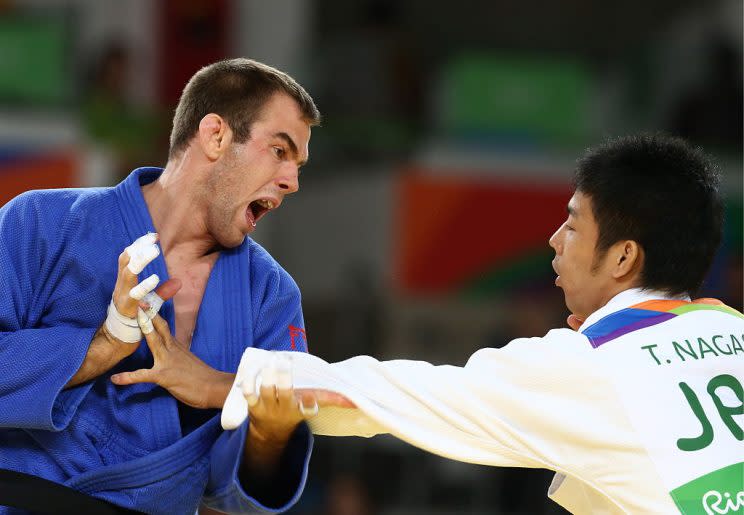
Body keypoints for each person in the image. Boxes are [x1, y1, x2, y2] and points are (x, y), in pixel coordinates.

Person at [221, 134, 743, 514]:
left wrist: (234, 380)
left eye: (574, 224)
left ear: (623, 257)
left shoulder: (592, 364)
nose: (555, 240)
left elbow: (406, 396)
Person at [0, 58, 321, 514]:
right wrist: (101, 345)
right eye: (279, 151)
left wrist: (229, 395)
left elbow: (248, 488)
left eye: (298, 165)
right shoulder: (40, 223)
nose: (292, 182)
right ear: (216, 136)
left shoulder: (271, 297)